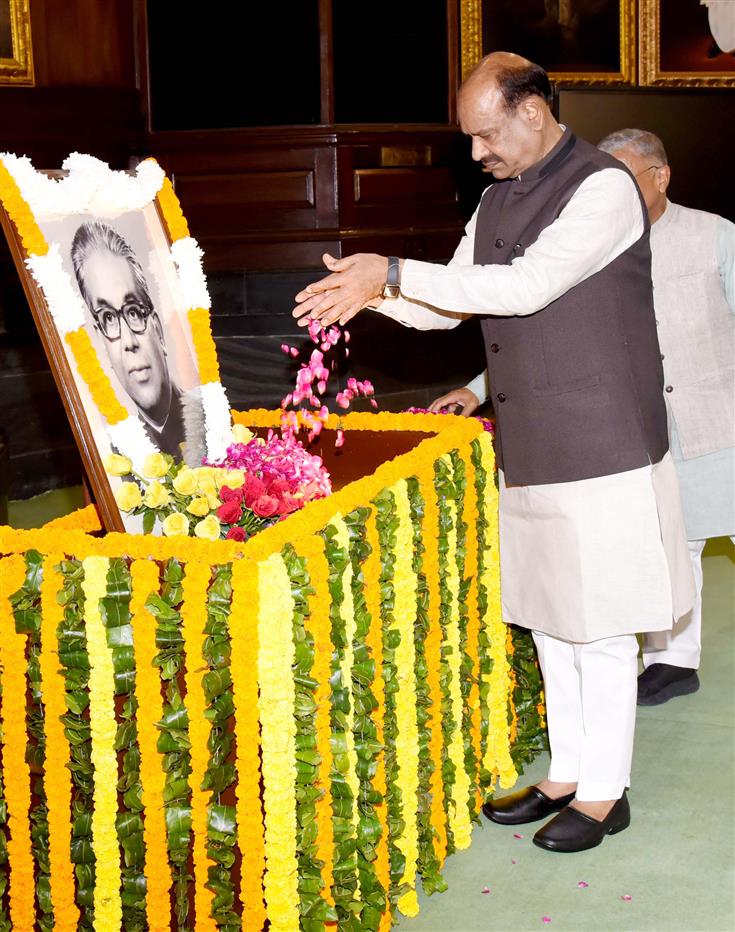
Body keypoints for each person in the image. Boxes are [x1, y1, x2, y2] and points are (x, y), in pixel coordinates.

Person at [292, 51, 695, 854]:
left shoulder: (604, 186)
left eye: (484, 135)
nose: (476, 153)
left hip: (603, 440)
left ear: (533, 113)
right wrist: (375, 295)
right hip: (533, 438)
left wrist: (395, 269)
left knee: (604, 625)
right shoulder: (496, 198)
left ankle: (605, 793)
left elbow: (524, 288)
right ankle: (566, 772)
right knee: (551, 615)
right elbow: (452, 309)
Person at [594, 128, 735, 705]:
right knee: (669, 544)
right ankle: (673, 661)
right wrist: (479, 387)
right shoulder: (595, 248)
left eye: (626, 178)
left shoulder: (715, 233)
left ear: (661, 176)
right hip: (643, 425)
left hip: (718, 414)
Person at [71, 220, 205, 465]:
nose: (128, 341)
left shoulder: (211, 423)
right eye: (108, 317)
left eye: (133, 312)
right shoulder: (113, 459)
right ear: (102, 343)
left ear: (157, 328)